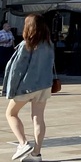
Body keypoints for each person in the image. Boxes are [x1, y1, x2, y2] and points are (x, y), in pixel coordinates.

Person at [3, 14, 54, 162]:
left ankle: (23, 143)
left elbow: (16, 70)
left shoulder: (26, 45)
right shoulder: (49, 44)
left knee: (11, 113)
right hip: (44, 85)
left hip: (27, 86)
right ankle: (36, 154)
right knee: (38, 118)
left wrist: (10, 90)